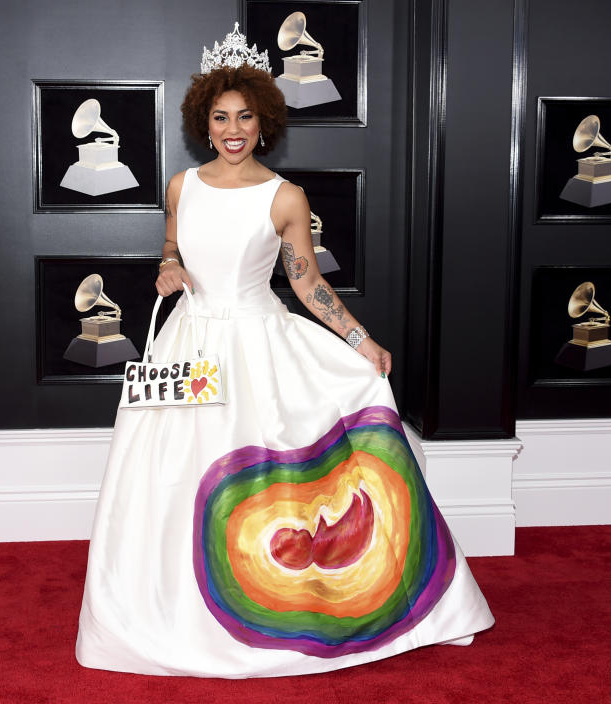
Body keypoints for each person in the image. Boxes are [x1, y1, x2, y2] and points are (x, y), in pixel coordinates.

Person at [75, 24, 494, 678]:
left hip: (256, 344)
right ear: (203, 122)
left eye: (245, 116)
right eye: (220, 117)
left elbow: (305, 281)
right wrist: (166, 270)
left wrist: (360, 340)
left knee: (265, 474)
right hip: (187, 345)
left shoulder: (285, 197)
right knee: (169, 475)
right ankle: (166, 612)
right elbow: (171, 247)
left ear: (264, 120)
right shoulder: (182, 186)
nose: (232, 128)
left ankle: (292, 604)